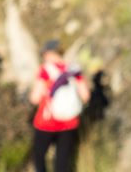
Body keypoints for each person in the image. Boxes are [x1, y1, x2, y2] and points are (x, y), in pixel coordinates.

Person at [29, 39, 91, 172]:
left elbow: (34, 98)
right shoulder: (74, 70)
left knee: (39, 156)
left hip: (47, 122)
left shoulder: (45, 70)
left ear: (49, 53)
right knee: (62, 161)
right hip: (70, 122)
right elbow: (85, 96)